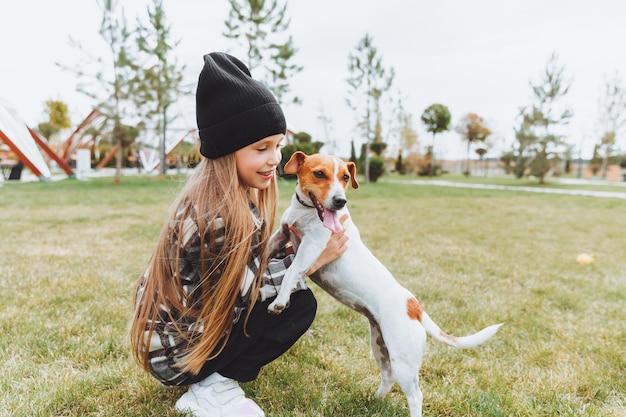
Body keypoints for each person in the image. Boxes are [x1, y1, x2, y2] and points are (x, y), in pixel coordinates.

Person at [129, 52, 348, 417]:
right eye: (260, 148)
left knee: (290, 294)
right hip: (178, 357)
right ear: (226, 150)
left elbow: (250, 268)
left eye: (277, 145)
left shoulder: (217, 197)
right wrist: (309, 263)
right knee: (298, 305)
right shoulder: (219, 216)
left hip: (171, 343)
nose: (274, 158)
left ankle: (210, 377)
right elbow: (244, 297)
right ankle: (210, 388)